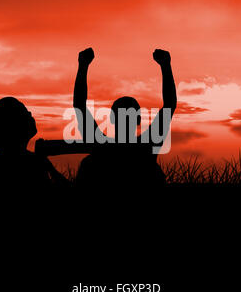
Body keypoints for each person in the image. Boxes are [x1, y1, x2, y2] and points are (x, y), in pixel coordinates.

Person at [73, 48, 177, 188]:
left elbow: (79, 105)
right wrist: (165, 66)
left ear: (112, 119)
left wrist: (83, 66)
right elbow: (169, 105)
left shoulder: (101, 146)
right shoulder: (147, 146)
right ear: (139, 120)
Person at [0, 97, 68, 188]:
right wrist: (47, 166)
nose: (30, 113)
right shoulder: (32, 164)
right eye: (24, 112)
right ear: (14, 126)